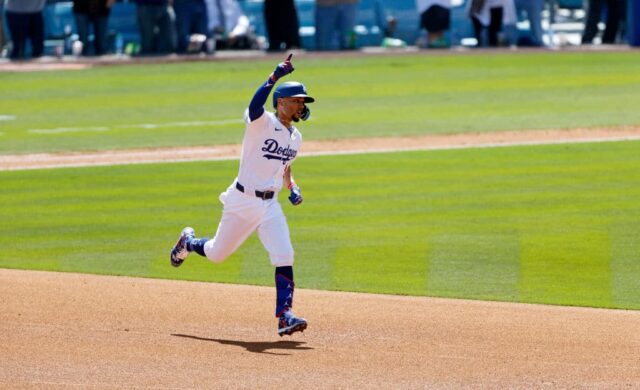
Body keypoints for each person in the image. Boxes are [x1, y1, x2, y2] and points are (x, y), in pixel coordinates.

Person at [170, 54, 312, 337]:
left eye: (302, 101)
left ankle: (285, 316)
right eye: (296, 99)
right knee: (217, 254)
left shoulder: (295, 138)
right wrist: (274, 77)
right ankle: (189, 242)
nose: (301, 104)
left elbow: (284, 167)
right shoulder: (261, 122)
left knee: (284, 253)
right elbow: (254, 104)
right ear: (281, 102)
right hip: (241, 200)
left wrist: (292, 187)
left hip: (269, 205)